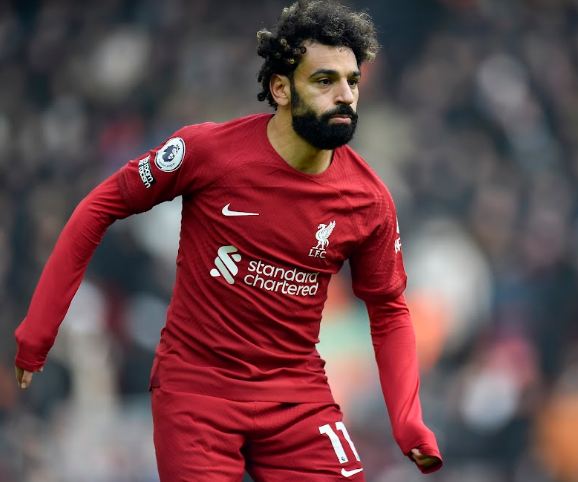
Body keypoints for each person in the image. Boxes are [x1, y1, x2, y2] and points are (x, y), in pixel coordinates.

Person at [14, 1, 443, 480]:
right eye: (325, 81)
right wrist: (38, 333)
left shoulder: (369, 200)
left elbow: (388, 311)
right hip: (198, 392)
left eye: (352, 81)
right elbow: (101, 206)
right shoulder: (209, 153)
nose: (345, 95)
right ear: (281, 88)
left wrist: (409, 423)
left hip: (297, 398)